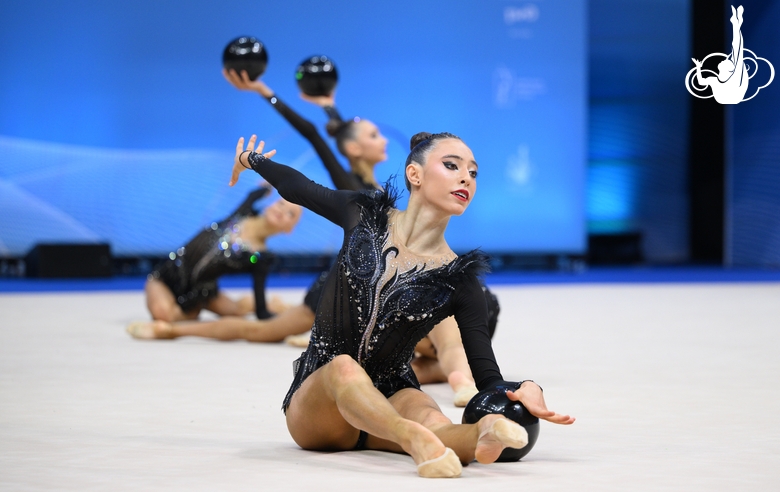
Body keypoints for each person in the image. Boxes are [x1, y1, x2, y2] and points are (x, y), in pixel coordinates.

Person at [229, 132, 574, 478]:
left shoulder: (459, 279)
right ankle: (412, 438)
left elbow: (487, 377)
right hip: (321, 405)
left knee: (431, 414)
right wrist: (251, 160)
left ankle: (483, 434)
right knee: (344, 369)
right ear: (415, 174)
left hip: (393, 392)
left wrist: (526, 388)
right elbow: (298, 186)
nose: (466, 178)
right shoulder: (364, 215)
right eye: (452, 166)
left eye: (473, 172)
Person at [221, 69, 498, 405]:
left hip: (403, 288)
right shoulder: (360, 198)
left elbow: (340, 133)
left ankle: (455, 378)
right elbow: (312, 156)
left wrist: (330, 109)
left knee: (437, 297)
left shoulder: (388, 192)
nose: (383, 139)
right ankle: (449, 374)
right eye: (372, 135)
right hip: (353, 281)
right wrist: (263, 111)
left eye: (473, 172)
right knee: (269, 332)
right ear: (415, 173)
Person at [126, 185, 304, 339]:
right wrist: (268, 186)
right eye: (281, 203)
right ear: (269, 205)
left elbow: (261, 312)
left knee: (235, 311)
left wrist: (285, 322)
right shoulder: (242, 213)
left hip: (201, 293)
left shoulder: (262, 257)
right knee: (163, 314)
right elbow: (256, 193)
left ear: (290, 229)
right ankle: (190, 312)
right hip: (166, 278)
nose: (282, 210)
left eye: (291, 214)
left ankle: (274, 304)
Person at [692, 5, 748, 104]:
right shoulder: (714, 80)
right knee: (737, 52)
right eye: (727, 60)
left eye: (726, 61)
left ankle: (736, 23)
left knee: (737, 51)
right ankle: (736, 23)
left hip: (732, 95)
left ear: (729, 69)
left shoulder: (732, 77)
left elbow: (737, 48)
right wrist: (698, 67)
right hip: (728, 96)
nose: (725, 59)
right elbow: (701, 82)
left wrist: (736, 26)